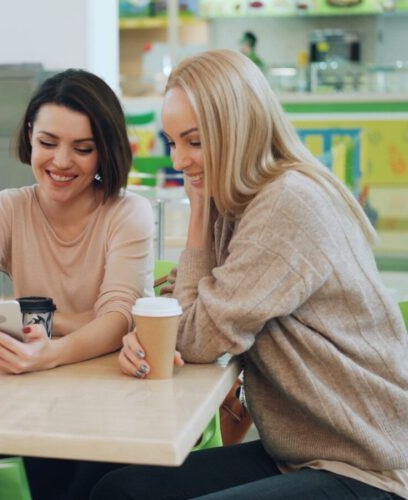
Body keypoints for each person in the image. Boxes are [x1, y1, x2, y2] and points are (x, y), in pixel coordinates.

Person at [93, 49, 408, 499]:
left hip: (364, 467)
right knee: (121, 490)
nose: (179, 160)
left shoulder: (287, 203)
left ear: (237, 131)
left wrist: (198, 213)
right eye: (172, 142)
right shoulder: (240, 201)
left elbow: (195, 338)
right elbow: (189, 319)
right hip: (298, 452)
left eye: (195, 142)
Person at [0, 68, 154, 375]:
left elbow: (119, 319)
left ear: (104, 151)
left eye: (83, 149)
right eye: (48, 143)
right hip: (32, 387)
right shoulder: (7, 209)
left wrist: (46, 346)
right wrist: (60, 319)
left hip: (112, 386)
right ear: (30, 136)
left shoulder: (128, 213)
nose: (62, 161)